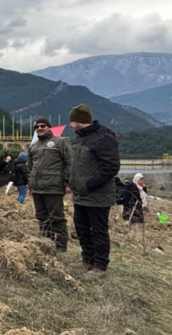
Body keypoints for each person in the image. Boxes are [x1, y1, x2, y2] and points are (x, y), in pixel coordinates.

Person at [69, 104, 120, 276]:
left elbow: (111, 167)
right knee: (82, 228)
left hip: (97, 195)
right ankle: (87, 259)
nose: (70, 124)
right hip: (81, 195)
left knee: (98, 230)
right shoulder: (81, 138)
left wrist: (88, 184)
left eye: (72, 120)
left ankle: (100, 265)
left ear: (79, 121)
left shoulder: (103, 137)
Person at [27, 117, 72, 252]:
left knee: (57, 218)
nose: (40, 128)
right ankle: (46, 242)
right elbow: (30, 168)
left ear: (49, 127)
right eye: (37, 127)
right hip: (37, 188)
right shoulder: (33, 146)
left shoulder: (60, 142)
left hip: (54, 187)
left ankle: (61, 245)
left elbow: (69, 163)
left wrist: (68, 183)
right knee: (41, 217)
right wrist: (30, 185)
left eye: (43, 126)